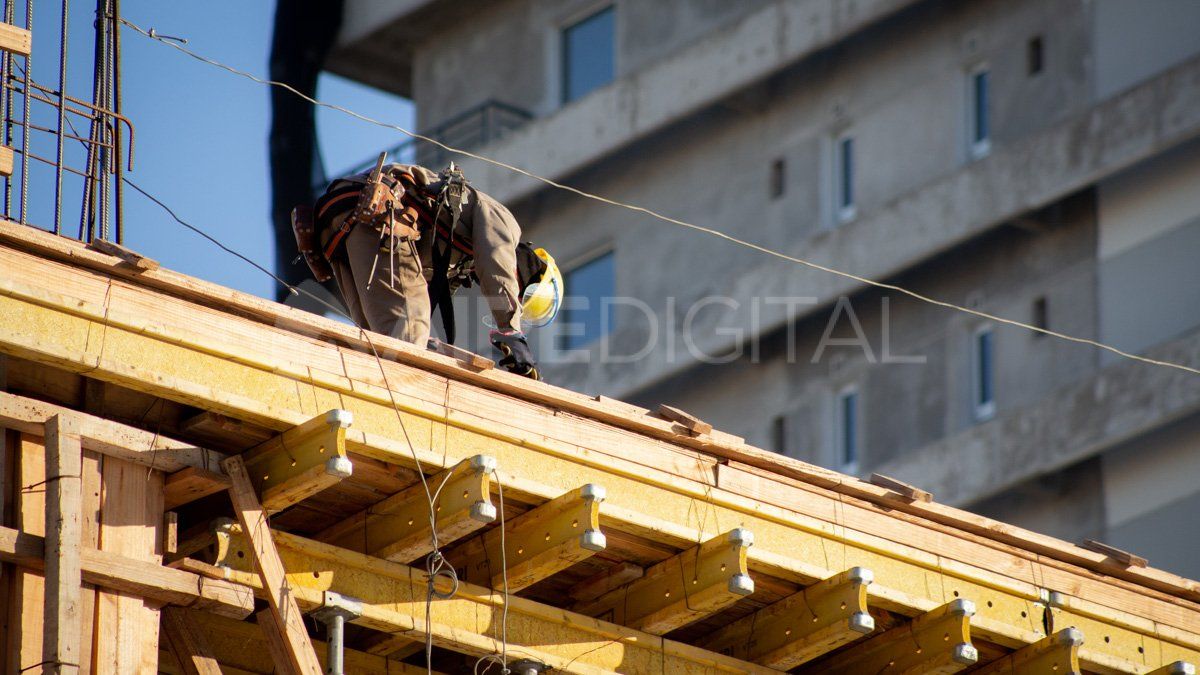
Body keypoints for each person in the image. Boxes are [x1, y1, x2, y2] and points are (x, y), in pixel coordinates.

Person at [293, 157, 562, 380]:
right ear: (529, 271)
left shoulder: (457, 262)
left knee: (378, 344)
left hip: (339, 221)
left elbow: (410, 288)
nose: (515, 295)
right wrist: (511, 331)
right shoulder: (506, 226)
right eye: (523, 294)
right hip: (377, 206)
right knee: (406, 339)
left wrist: (427, 343)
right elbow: (496, 263)